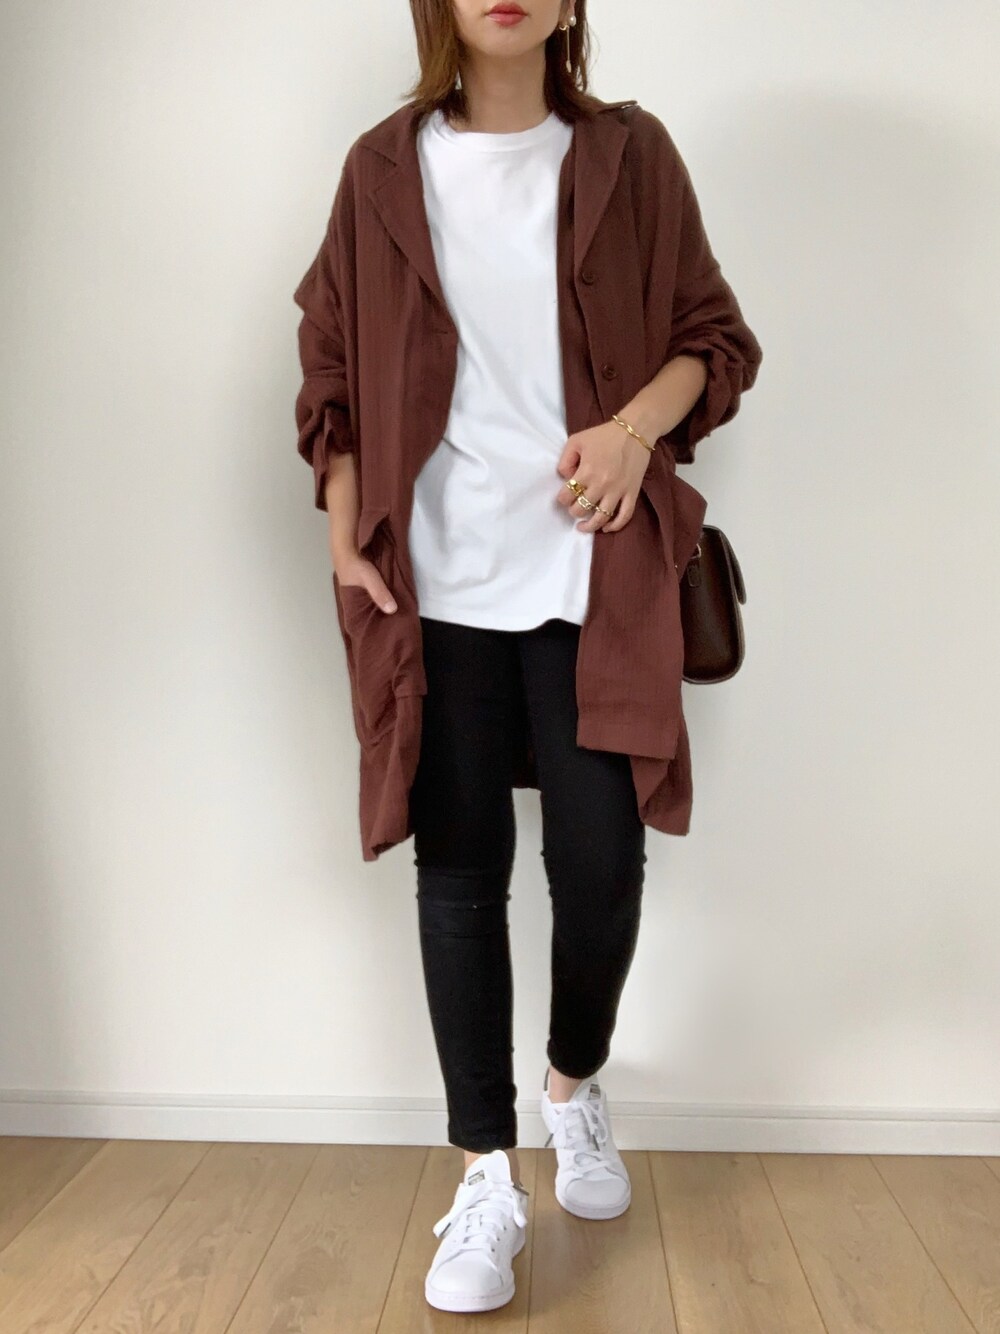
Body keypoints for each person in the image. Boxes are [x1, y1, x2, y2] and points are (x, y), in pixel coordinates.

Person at [293, 0, 763, 1315]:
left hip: (590, 574)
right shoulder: (383, 167)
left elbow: (714, 340)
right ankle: (485, 1173)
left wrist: (631, 433)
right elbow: (329, 361)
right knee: (460, 869)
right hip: (436, 579)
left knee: (601, 857)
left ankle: (573, 1084)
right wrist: (343, 532)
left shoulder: (629, 155)